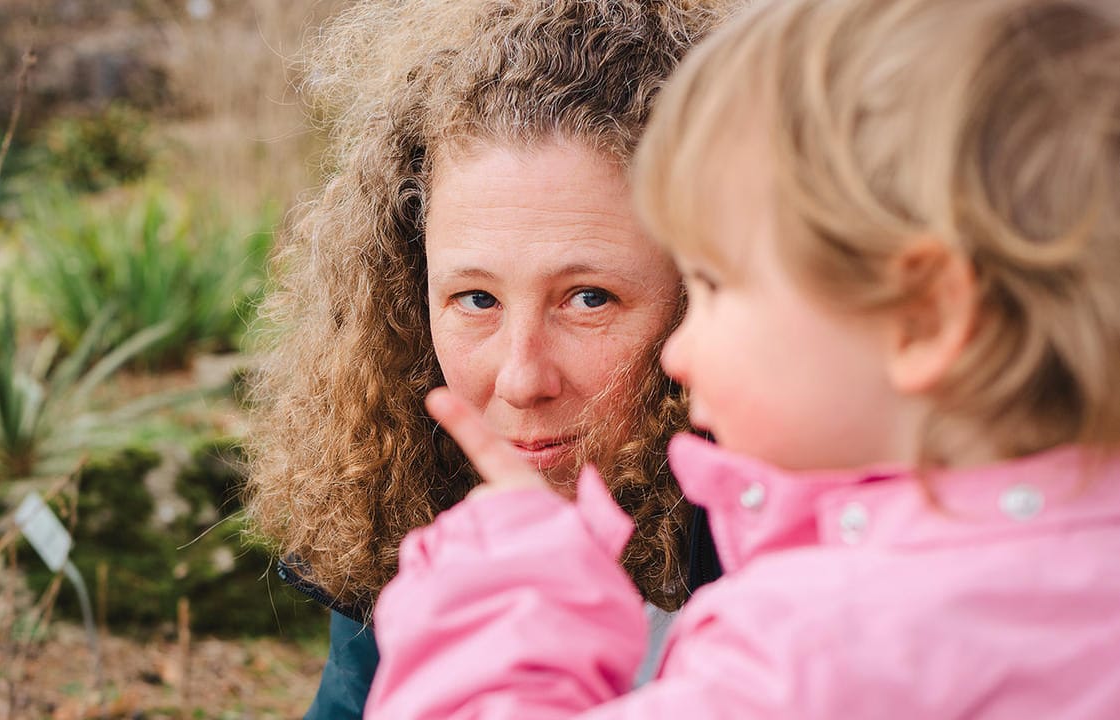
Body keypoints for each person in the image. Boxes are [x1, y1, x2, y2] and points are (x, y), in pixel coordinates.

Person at [364, 0, 1120, 716]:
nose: (682, 348)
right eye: (474, 299)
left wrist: (508, 588)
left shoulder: (813, 649)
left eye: (714, 284)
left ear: (923, 318)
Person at [243, 1, 734, 717]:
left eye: (588, 298)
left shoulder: (802, 545)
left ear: (705, 290)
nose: (520, 379)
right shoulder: (417, 503)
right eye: (475, 300)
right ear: (409, 298)